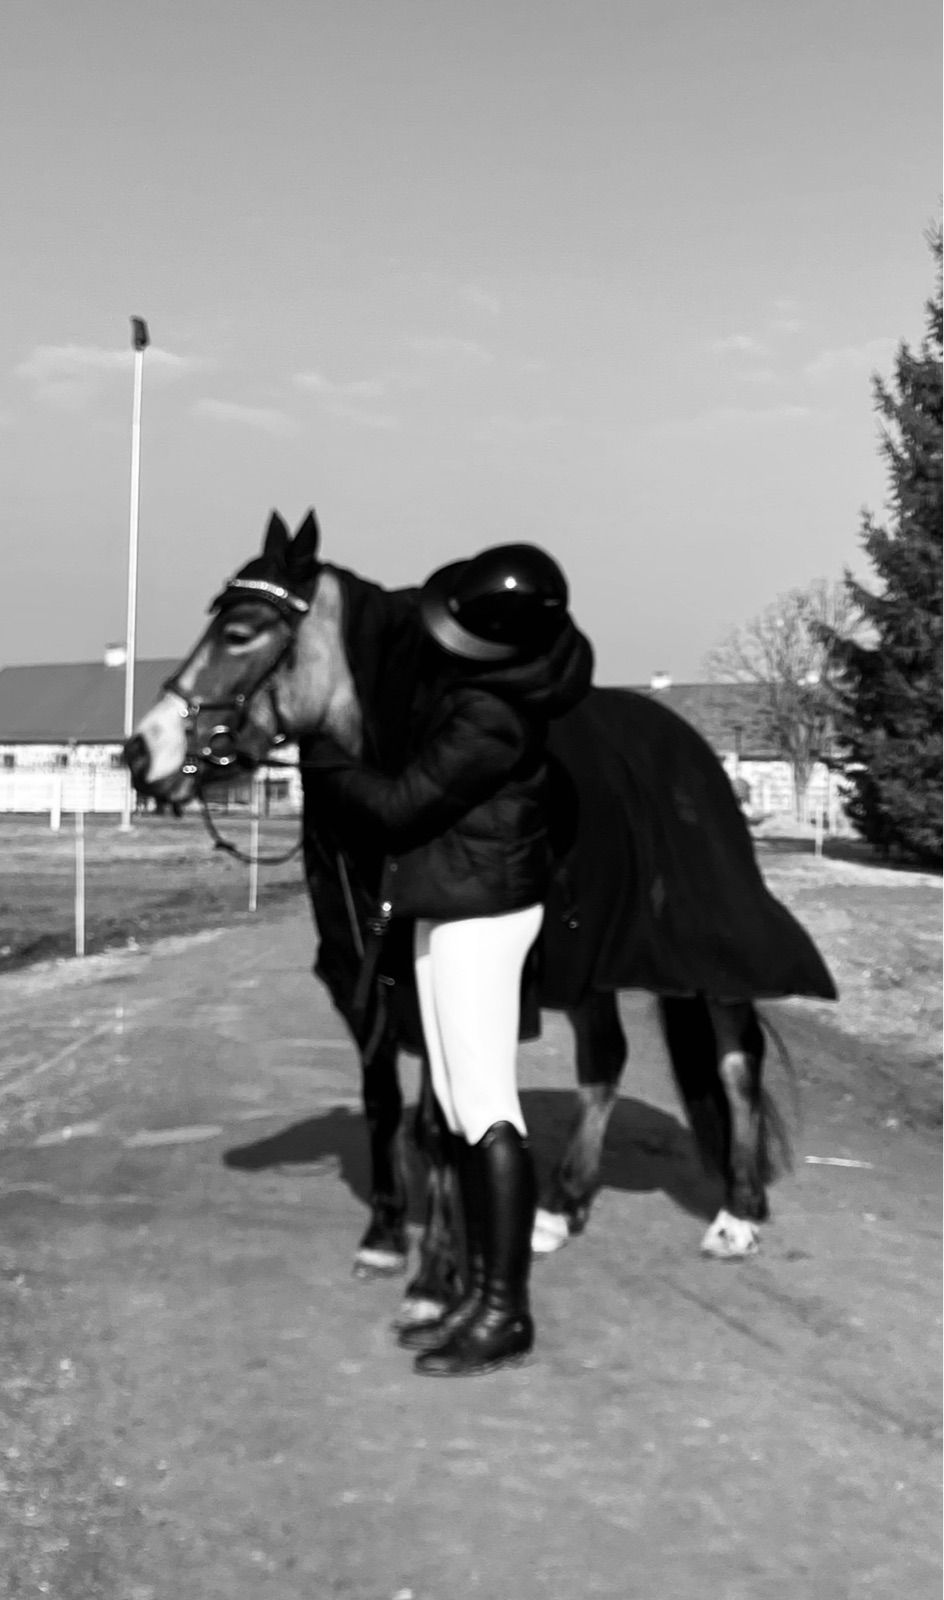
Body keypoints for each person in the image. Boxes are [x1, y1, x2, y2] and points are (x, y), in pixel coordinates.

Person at [305, 543, 594, 1377]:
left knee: (487, 1107)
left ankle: (505, 1313)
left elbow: (398, 809)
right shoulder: (489, 694)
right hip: (449, 905)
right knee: (464, 1110)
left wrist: (327, 755)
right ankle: (478, 1289)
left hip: (478, 916)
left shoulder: (490, 718)